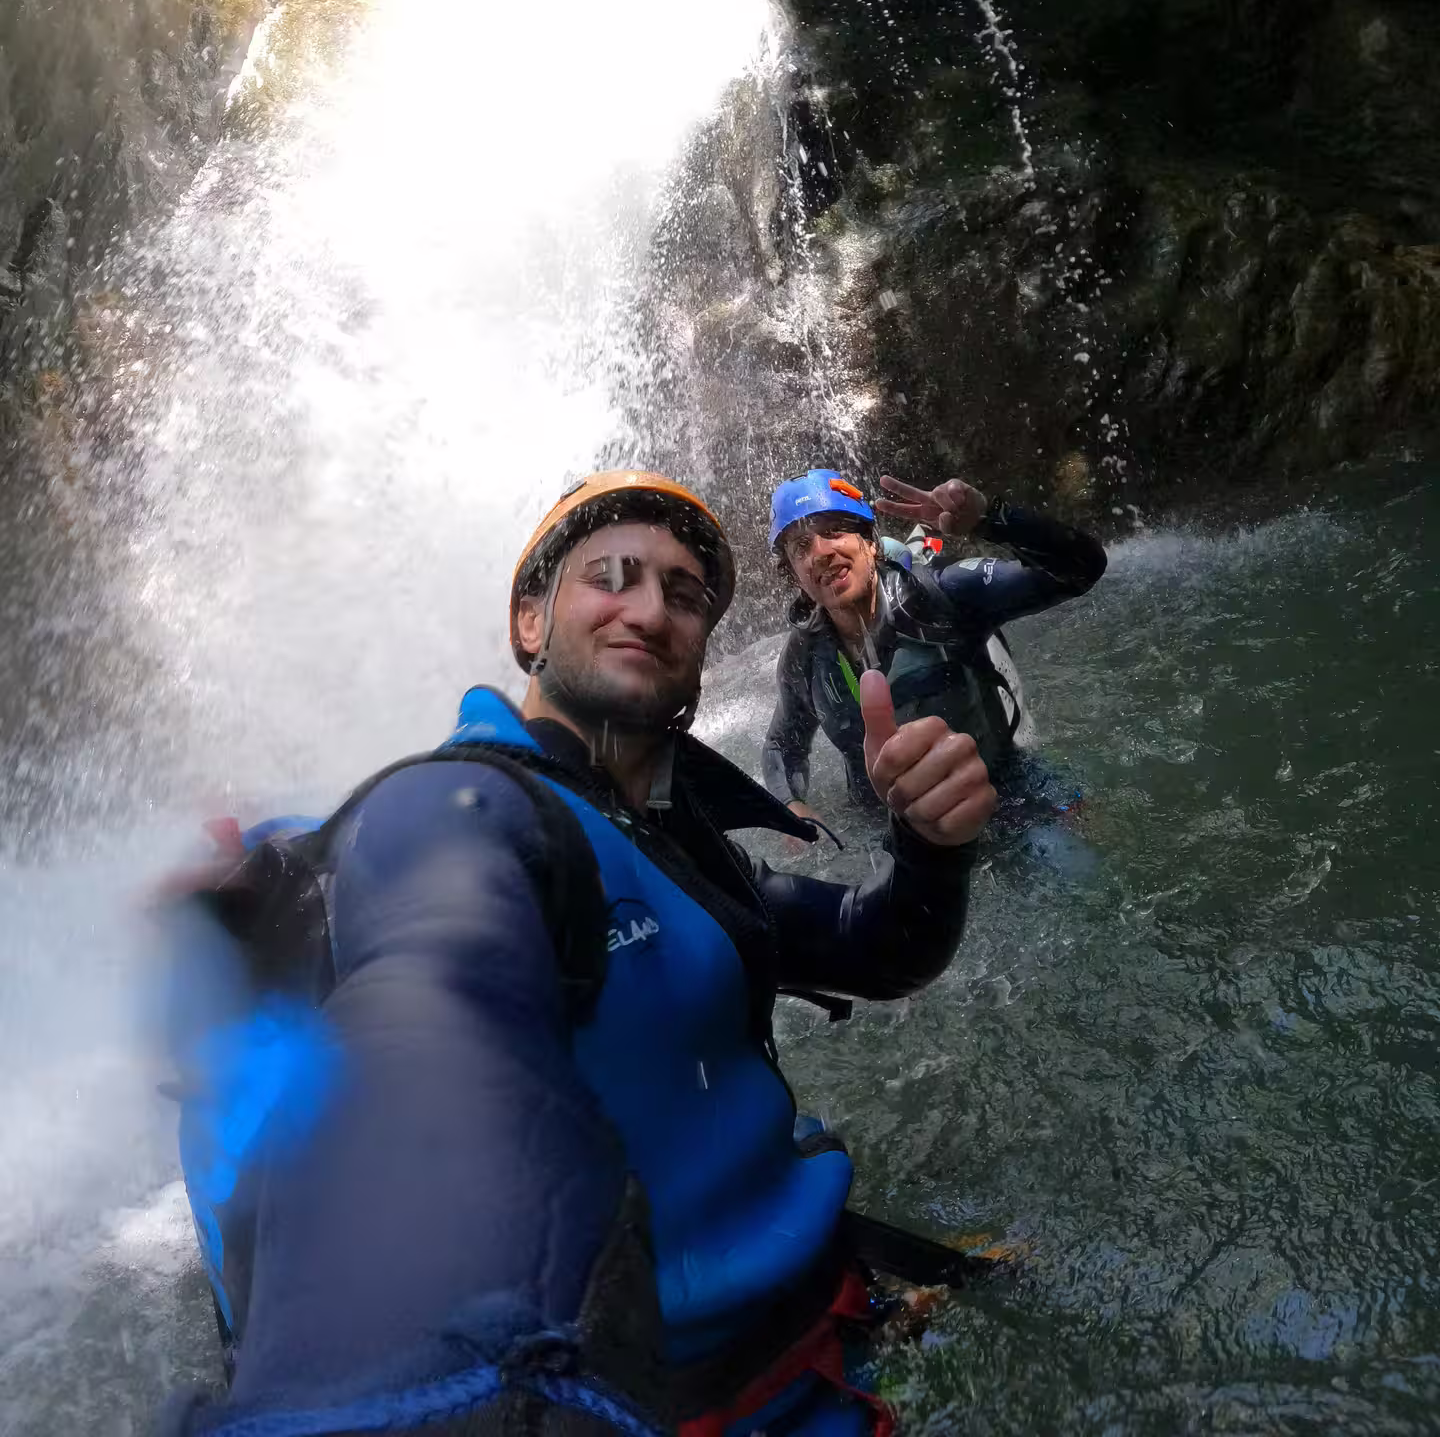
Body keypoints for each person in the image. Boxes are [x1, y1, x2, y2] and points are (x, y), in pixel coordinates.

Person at [160, 470, 996, 1437]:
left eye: (685, 596)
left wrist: (935, 851)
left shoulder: (670, 839)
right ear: (529, 620)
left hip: (821, 1323)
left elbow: (879, 949)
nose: (651, 609)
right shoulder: (457, 812)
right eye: (613, 577)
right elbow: (426, 1009)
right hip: (678, 1403)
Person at [762, 468, 1107, 821]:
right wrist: (792, 806)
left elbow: (1083, 568)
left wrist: (991, 519)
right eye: (801, 547)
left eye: (833, 531)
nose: (819, 553)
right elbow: (781, 744)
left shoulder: (943, 598)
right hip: (892, 837)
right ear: (793, 574)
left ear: (870, 542)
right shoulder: (804, 656)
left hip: (1008, 804)